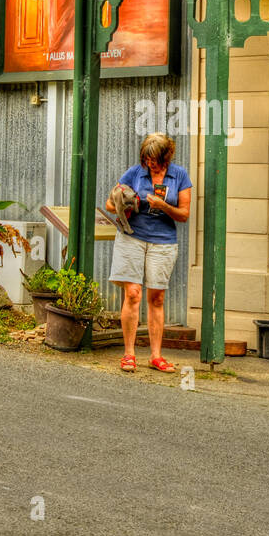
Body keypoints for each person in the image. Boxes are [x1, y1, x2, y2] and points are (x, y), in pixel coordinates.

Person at [106, 133, 192, 373]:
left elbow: (184, 214)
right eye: (146, 158)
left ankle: (156, 356)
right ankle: (129, 354)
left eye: (154, 159)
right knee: (132, 293)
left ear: (166, 156)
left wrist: (163, 206)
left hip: (163, 242)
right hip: (132, 237)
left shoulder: (180, 176)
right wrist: (127, 204)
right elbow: (110, 204)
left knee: (157, 298)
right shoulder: (134, 173)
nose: (150, 163)